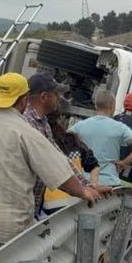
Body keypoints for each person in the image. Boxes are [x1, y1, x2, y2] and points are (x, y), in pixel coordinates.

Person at [0, 73, 100, 248]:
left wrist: (84, 185)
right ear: (24, 99)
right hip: (7, 228)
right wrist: (83, 192)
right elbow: (57, 172)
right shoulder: (26, 132)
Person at [22, 73, 110, 216]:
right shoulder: (27, 123)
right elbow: (50, 165)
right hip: (21, 206)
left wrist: (86, 185)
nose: (60, 99)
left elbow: (59, 158)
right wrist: (82, 191)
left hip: (32, 207)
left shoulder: (43, 123)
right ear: (44, 97)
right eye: (56, 94)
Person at [70, 90, 132, 187]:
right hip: (109, 183)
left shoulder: (79, 126)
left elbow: (62, 141)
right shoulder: (120, 127)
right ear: (113, 106)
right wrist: (125, 163)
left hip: (84, 183)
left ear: (96, 106)